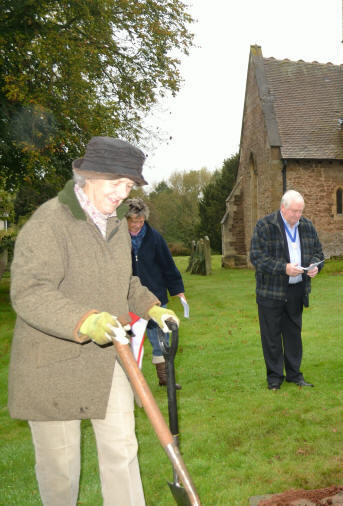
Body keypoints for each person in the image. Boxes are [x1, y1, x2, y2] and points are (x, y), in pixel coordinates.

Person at [8, 136, 179, 505]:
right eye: (116, 183)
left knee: (123, 448)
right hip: (53, 363)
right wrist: (85, 321)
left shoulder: (114, 225)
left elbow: (123, 281)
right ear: (87, 176)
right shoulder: (50, 222)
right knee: (61, 468)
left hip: (108, 357)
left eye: (128, 186)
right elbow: (29, 291)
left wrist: (152, 307)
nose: (122, 193)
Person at [250, 190, 324, 390]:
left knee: (293, 334)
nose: (298, 216)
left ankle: (294, 375)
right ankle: (274, 378)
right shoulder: (265, 225)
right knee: (271, 336)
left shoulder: (307, 226)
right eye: (294, 211)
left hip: (296, 290)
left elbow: (318, 252)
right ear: (283, 208)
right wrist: (284, 268)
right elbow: (257, 258)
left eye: (300, 211)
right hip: (270, 292)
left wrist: (315, 265)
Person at [125, 197, 186, 388]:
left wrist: (178, 290)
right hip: (127, 298)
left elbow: (168, 266)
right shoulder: (116, 239)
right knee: (129, 339)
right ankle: (129, 380)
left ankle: (165, 378)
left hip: (155, 296)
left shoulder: (155, 238)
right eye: (133, 221)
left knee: (161, 337)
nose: (136, 225)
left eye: (140, 221)